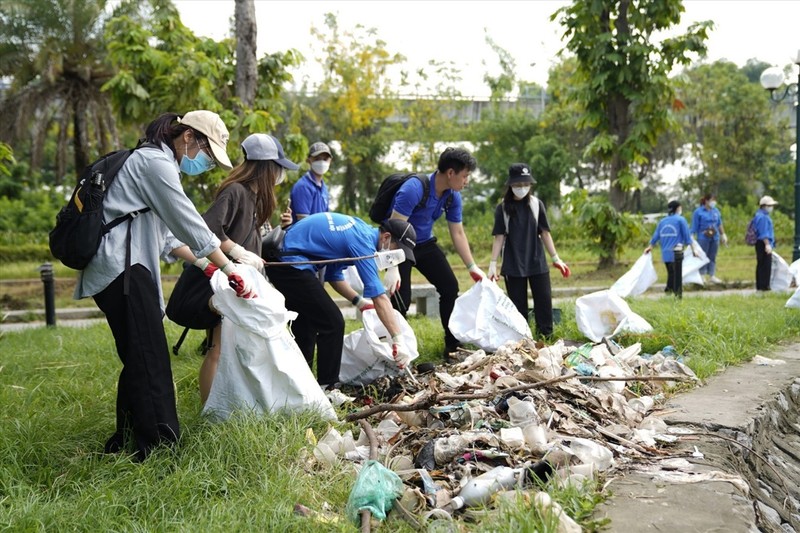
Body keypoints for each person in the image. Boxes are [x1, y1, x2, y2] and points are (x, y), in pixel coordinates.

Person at [74, 111, 255, 461]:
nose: (205, 162)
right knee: (151, 359)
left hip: (124, 269)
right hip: (123, 269)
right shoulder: (155, 164)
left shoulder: (155, 164)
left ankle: (126, 440)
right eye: (206, 151)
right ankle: (158, 448)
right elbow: (193, 225)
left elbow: (169, 239)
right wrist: (230, 267)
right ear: (187, 137)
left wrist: (206, 265)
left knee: (138, 356)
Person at [168, 133, 299, 404]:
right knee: (217, 348)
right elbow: (208, 230)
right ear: (266, 167)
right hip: (216, 278)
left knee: (227, 347)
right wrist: (237, 251)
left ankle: (228, 403)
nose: (280, 175)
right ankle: (210, 412)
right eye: (278, 168)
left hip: (236, 279)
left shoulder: (254, 196)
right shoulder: (236, 191)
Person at [265, 212, 417, 389]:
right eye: (395, 250)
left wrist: (360, 303)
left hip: (288, 261)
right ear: (386, 237)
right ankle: (328, 386)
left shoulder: (361, 230)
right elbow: (380, 297)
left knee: (307, 325)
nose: (392, 258)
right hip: (286, 262)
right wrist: (398, 340)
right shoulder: (363, 243)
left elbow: (334, 276)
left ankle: (298, 385)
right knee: (333, 322)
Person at [384, 147, 484, 360]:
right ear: (450, 173)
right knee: (401, 298)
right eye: (465, 176)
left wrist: (472, 267)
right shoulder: (414, 189)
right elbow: (394, 228)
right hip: (400, 244)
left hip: (424, 244)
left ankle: (452, 346)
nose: (466, 181)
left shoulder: (452, 196)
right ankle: (395, 352)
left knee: (450, 287)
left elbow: (457, 232)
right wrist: (392, 267)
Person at [487, 163, 570, 338]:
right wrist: (493, 264)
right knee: (518, 306)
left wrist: (556, 258)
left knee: (544, 301)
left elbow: (545, 233)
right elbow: (499, 237)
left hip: (537, 260)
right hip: (513, 262)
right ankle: (522, 339)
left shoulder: (536, 205)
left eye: (525, 184)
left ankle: (545, 338)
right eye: (518, 185)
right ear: (510, 185)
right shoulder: (502, 209)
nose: (522, 188)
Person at [644, 200, 696, 294]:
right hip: (677, 252)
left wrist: (650, 246)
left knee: (671, 273)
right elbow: (687, 236)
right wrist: (693, 250)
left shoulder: (662, 221)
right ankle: (671, 291)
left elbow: (656, 235)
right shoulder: (681, 220)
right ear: (678, 208)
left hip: (665, 252)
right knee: (675, 273)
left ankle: (672, 292)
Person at [289, 141, 332, 223]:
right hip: (304, 235)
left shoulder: (324, 188)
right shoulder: (303, 187)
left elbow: (326, 219)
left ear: (330, 161)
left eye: (325, 159)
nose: (322, 162)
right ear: (308, 160)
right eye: (317, 159)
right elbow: (303, 223)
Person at [691, 193, 727, 284]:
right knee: (703, 255)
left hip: (715, 236)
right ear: (706, 201)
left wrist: (723, 235)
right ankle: (702, 275)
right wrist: (691, 235)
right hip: (703, 237)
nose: (713, 202)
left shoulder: (716, 211)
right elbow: (694, 225)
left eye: (714, 200)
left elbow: (719, 223)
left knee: (712, 256)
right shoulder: (698, 212)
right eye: (712, 200)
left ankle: (712, 275)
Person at [753, 195, 778, 291]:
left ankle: (761, 285)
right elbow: (763, 233)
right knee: (765, 265)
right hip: (764, 242)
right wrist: (767, 244)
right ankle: (764, 286)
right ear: (764, 206)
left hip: (762, 242)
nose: (771, 207)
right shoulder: (762, 217)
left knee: (762, 264)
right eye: (770, 205)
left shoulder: (760, 215)